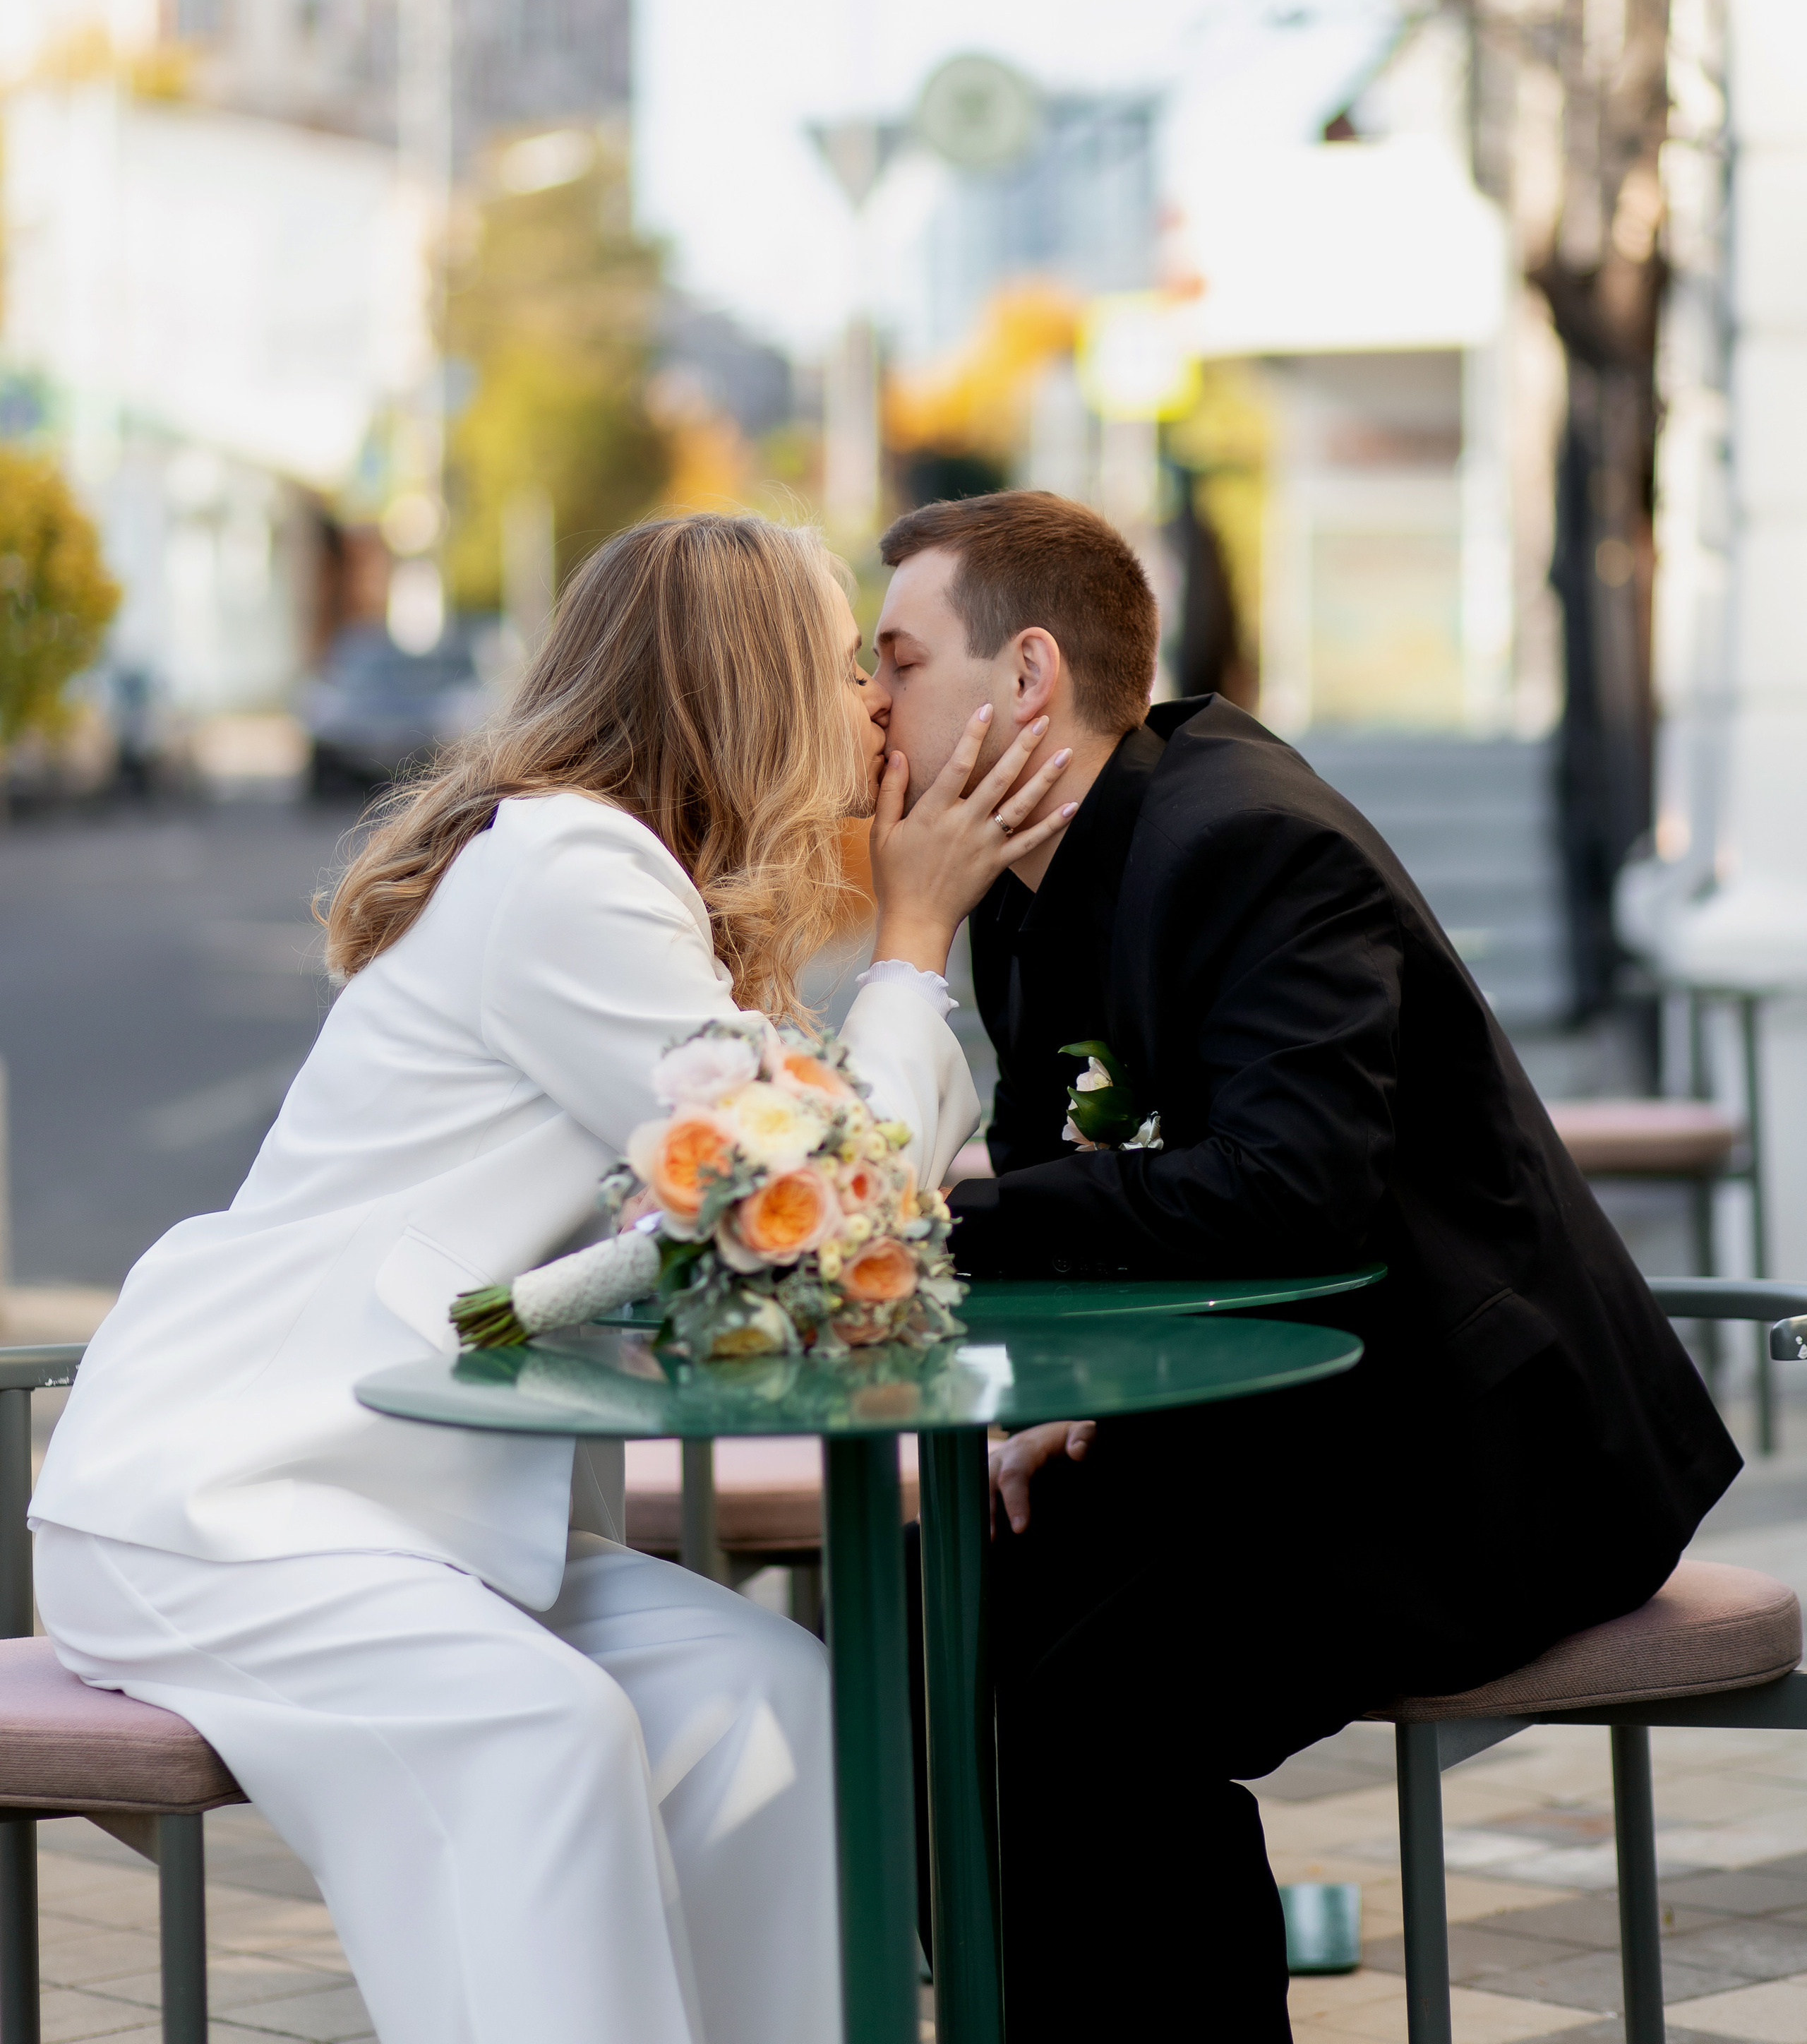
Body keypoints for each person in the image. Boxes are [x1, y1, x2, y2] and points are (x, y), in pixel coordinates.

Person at [30, 513, 1074, 2044]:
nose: (870, 699)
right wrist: (914, 937)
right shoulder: (568, 871)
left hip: (417, 1522)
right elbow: (838, 1196)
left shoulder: (627, 890)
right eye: (842, 661)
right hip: (228, 1504)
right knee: (545, 1736)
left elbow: (823, 1189)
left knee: (766, 1702)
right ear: (750, 685)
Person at [874, 489, 1740, 2044]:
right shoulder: (1019, 882)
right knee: (945, 1645)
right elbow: (1099, 1184)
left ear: (1023, 679)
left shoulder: (1245, 841)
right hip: (1283, 1424)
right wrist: (1078, 1401)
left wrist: (936, 1224)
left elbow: (1291, 1195)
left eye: (893, 660)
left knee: (1089, 1704)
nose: (865, 702)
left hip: (1475, 1460)